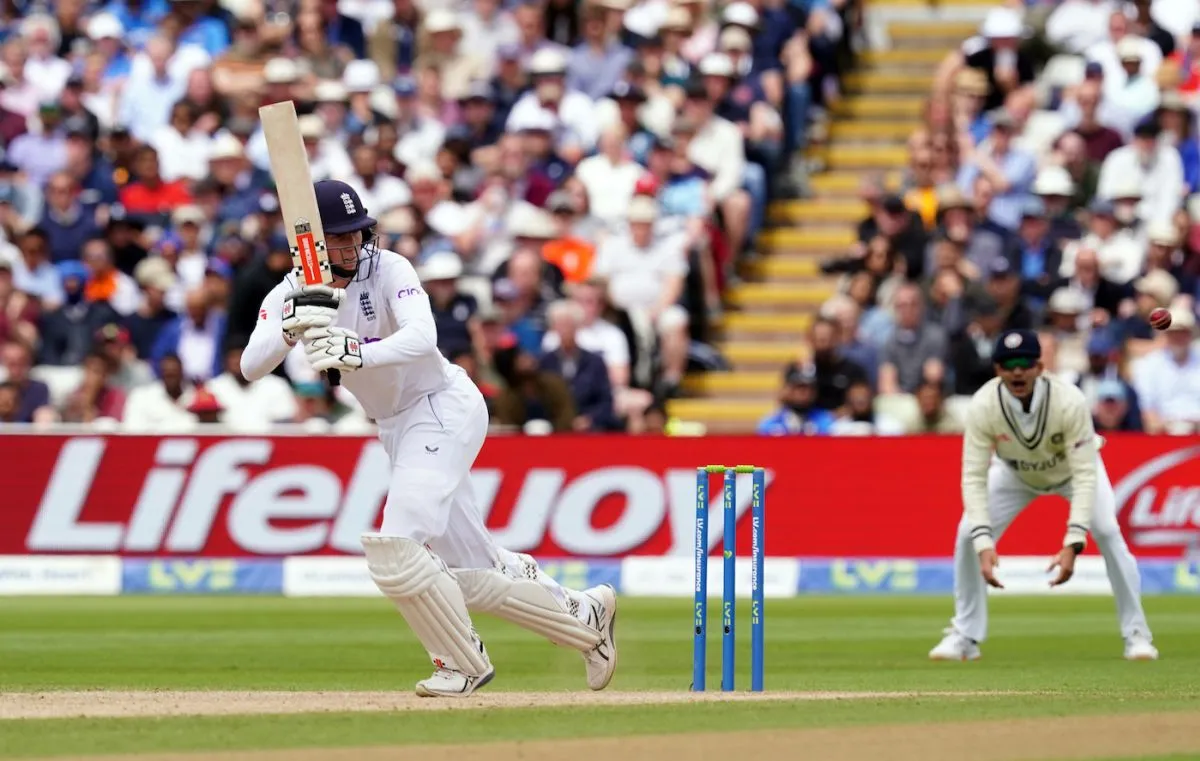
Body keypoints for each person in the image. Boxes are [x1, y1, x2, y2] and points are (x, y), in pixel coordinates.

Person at [240, 180, 617, 698]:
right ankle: (585, 616)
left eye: (358, 235)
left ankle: (460, 663)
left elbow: (424, 336)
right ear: (315, 241)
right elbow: (251, 365)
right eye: (341, 238)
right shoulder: (292, 292)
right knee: (476, 570)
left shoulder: (390, 268)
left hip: (442, 406)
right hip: (396, 426)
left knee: (397, 547)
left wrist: (357, 352)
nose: (353, 247)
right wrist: (290, 325)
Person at [929, 329, 1157, 662]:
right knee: (967, 534)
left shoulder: (1070, 400)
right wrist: (984, 543)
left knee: (1107, 532)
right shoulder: (983, 405)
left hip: (1071, 472)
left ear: (1040, 366)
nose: (1017, 371)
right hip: (1014, 474)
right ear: (997, 370)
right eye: (1008, 365)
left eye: (1024, 363)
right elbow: (973, 476)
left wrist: (1073, 541)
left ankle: (1137, 635)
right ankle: (965, 635)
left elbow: (1083, 474)